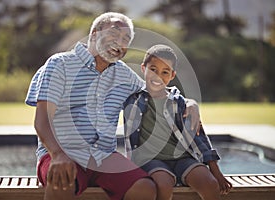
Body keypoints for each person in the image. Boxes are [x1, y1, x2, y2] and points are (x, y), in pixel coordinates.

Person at [25, 12, 157, 200]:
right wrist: (58, 154)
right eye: (114, 33)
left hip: (103, 157)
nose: (119, 42)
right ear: (94, 34)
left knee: (144, 187)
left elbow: (159, 93)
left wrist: (189, 103)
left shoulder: (125, 76)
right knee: (62, 180)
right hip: (62, 153)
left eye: (125, 39)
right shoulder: (59, 65)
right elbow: (42, 119)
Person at [123, 44, 232, 200]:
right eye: (153, 69)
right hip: (151, 160)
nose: (158, 76)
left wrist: (217, 173)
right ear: (143, 68)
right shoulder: (132, 99)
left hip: (184, 159)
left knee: (210, 184)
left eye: (165, 72)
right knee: (163, 184)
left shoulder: (180, 104)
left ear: (172, 75)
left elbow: (200, 138)